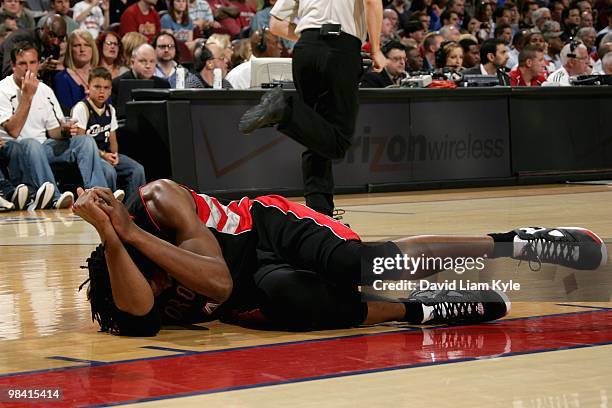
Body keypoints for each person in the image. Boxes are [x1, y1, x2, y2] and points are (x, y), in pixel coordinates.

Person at [75, 179, 607, 336]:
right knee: (292, 301)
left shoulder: (156, 201)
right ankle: (425, 308)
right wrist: (118, 241)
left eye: (162, 283)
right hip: (254, 282)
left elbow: (213, 281)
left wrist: (128, 231)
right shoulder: (129, 290)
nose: (168, 294)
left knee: (362, 265)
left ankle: (518, 242)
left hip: (267, 230)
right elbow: (147, 315)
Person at [238, 0, 385, 218]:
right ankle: (285, 111)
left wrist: (310, 39)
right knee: (338, 142)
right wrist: (376, 49)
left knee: (314, 133)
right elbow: (373, 3)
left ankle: (320, 214)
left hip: (305, 49)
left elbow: (276, 24)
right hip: (341, 49)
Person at [0, 41, 109, 210]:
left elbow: (53, 132)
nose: (28, 68)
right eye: (22, 63)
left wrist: (64, 131)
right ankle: (55, 198)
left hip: (43, 147)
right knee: (31, 143)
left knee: (84, 140)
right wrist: (27, 96)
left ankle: (99, 195)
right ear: (13, 66)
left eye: (32, 63)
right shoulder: (3, 89)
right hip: (15, 148)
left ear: (38, 64)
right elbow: (13, 131)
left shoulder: (45, 90)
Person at [71, 67, 145, 200]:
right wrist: (104, 156)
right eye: (97, 87)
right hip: (91, 157)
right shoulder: (82, 108)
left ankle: (135, 207)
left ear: (111, 90)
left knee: (137, 169)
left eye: (106, 88)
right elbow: (80, 143)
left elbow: (113, 140)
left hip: (107, 155)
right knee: (109, 171)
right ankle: (109, 203)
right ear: (88, 87)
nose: (101, 91)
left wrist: (114, 156)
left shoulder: (110, 110)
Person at [0, 14, 66, 80]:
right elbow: (6, 72)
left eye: (60, 38)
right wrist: (38, 68)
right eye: (51, 35)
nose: (56, 42)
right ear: (42, 29)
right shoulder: (19, 38)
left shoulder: (55, 48)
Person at [54, 29, 99, 113]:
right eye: (77, 45)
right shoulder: (62, 78)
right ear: (70, 50)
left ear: (93, 49)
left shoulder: (101, 75)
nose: (82, 49)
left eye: (87, 45)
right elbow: (66, 112)